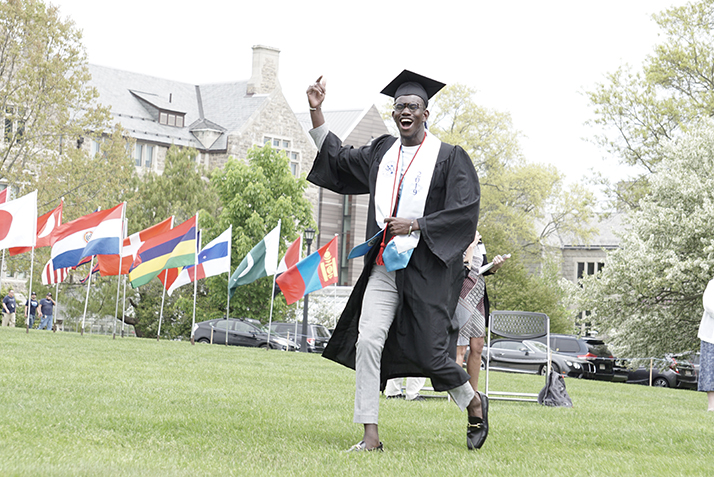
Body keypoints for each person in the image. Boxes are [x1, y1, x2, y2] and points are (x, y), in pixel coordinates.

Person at [306, 70, 483, 451]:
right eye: (400, 105)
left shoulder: (449, 157)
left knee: (432, 355)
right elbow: (337, 159)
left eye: (413, 106)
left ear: (426, 113)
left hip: (427, 269)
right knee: (368, 341)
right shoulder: (382, 151)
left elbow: (465, 212)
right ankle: (370, 435)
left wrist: (416, 224)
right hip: (385, 266)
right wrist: (317, 112)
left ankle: (472, 401)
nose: (406, 111)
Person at [454, 231, 508, 439]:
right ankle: (460, 395)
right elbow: (462, 268)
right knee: (460, 350)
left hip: (478, 294)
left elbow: (482, 268)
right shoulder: (458, 236)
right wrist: (471, 245)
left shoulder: (478, 237)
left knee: (477, 347)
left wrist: (496, 265)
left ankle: (473, 393)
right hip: (461, 293)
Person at [699, 277, 714, 411]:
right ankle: (712, 405)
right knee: (710, 371)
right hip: (711, 336)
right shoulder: (712, 284)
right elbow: (709, 305)